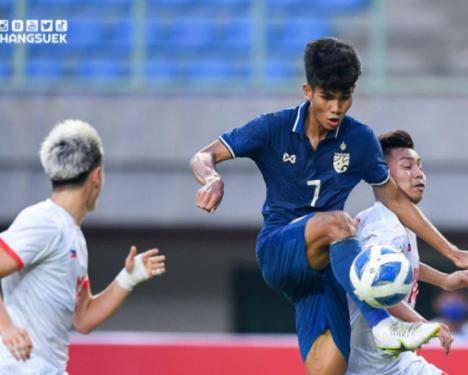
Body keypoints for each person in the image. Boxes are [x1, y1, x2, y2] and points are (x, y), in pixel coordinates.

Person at [190, 37, 468, 374]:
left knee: (331, 369)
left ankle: (380, 330)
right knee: (339, 222)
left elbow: (393, 198)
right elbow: (203, 155)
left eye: (345, 97)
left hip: (323, 277)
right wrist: (210, 179)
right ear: (308, 91)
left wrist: (452, 252)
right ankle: (383, 326)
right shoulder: (273, 127)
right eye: (328, 97)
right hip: (281, 250)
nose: (336, 108)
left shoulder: (359, 140)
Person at [0, 120, 166, 374]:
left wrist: (128, 278)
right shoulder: (44, 222)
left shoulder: (72, 235)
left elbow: (82, 319)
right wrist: (6, 328)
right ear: (97, 175)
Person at [347, 130, 468, 374]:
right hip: (374, 366)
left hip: (395, 360)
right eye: (407, 166)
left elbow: (404, 266)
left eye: (420, 166)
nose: (418, 174)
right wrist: (423, 325)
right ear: (384, 174)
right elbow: (377, 286)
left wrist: (444, 280)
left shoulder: (394, 221)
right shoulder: (386, 229)